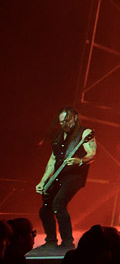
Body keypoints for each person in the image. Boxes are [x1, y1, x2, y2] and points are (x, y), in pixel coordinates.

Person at [33, 106, 97, 254]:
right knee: (45, 209)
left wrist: (79, 160)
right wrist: (43, 181)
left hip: (74, 176)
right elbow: (52, 160)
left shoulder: (84, 133)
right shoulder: (58, 135)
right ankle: (50, 242)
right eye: (62, 122)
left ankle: (67, 243)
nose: (65, 125)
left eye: (67, 121)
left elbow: (92, 153)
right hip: (59, 175)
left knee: (58, 204)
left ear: (75, 118)